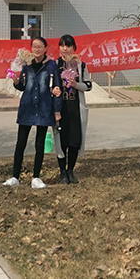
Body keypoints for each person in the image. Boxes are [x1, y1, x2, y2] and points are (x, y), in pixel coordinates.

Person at [3, 36, 62, 189]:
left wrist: (57, 110)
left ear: (45, 49)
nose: (37, 49)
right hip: (27, 108)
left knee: (39, 143)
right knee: (20, 143)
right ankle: (15, 177)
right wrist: (15, 80)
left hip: (44, 108)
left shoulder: (51, 66)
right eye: (34, 46)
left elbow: (57, 89)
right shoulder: (27, 65)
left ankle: (36, 177)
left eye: (40, 46)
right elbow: (23, 86)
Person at [54, 34, 92, 184]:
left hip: (76, 108)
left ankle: (71, 171)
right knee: (61, 141)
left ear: (74, 48)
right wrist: (55, 89)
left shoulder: (80, 65)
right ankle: (62, 172)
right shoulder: (54, 64)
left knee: (75, 141)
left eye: (68, 46)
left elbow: (88, 85)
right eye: (62, 45)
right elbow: (49, 84)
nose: (65, 49)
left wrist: (76, 85)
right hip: (60, 109)